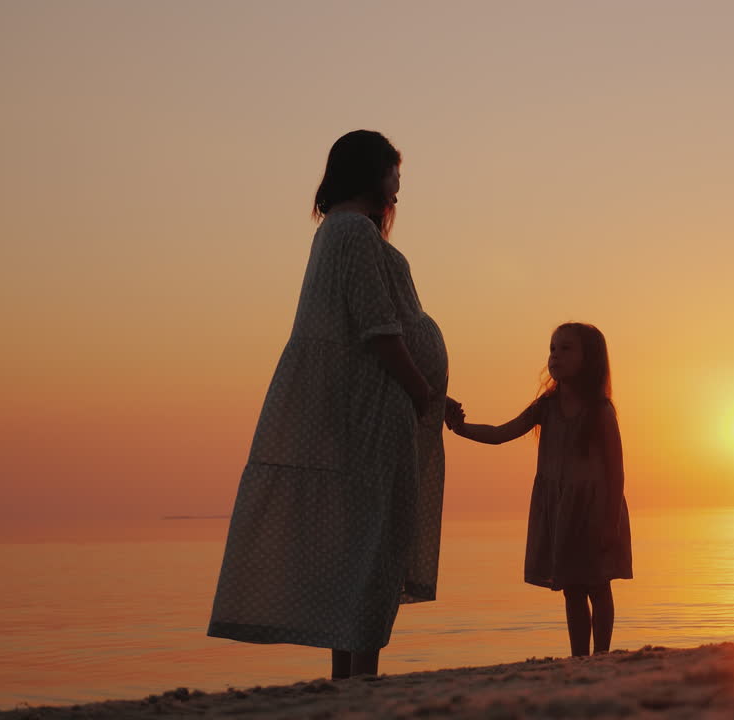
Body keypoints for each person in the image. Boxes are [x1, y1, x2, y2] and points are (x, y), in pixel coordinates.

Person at [208, 130, 455, 680]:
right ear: (372, 173)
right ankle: (359, 679)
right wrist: (421, 391)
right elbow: (379, 330)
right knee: (371, 543)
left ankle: (348, 678)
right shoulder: (354, 235)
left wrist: (425, 387)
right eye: (395, 172)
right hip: (371, 412)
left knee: (356, 546)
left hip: (366, 401)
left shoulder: (335, 232)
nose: (398, 185)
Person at [447, 323, 633, 656]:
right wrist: (462, 429)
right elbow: (501, 432)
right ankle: (579, 657)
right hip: (560, 509)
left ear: (589, 359)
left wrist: (610, 522)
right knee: (572, 589)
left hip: (595, 510)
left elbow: (616, 470)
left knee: (598, 585)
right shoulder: (545, 407)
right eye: (552, 348)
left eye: (566, 349)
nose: (555, 356)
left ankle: (603, 655)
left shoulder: (600, 411)